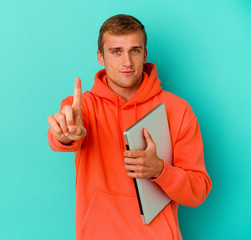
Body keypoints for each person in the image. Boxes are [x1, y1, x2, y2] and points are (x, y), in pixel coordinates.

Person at [47, 14, 212, 240]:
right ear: (100, 57)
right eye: (116, 51)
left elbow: (198, 191)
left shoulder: (178, 110)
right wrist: (65, 134)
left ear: (144, 54)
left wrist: (160, 171)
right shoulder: (81, 108)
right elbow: (62, 136)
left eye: (134, 50)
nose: (127, 62)